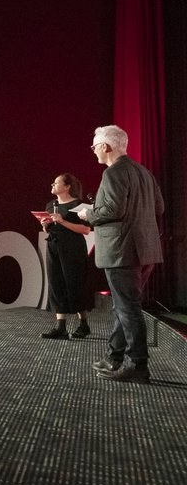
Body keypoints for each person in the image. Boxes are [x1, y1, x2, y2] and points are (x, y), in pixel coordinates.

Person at [79, 125, 165, 383]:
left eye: (94, 146)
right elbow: (159, 207)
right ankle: (115, 357)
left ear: (106, 146)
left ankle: (137, 365)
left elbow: (112, 210)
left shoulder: (114, 173)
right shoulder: (144, 172)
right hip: (146, 249)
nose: (93, 151)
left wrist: (88, 214)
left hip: (122, 251)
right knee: (123, 306)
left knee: (127, 308)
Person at [37, 173, 93, 339]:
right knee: (56, 283)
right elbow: (50, 228)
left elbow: (86, 229)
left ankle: (83, 324)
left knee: (74, 283)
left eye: (56, 182)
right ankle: (61, 327)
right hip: (54, 245)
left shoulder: (79, 205)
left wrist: (62, 221)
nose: (52, 184)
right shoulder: (50, 205)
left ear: (67, 186)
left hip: (73, 248)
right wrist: (45, 225)